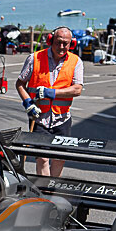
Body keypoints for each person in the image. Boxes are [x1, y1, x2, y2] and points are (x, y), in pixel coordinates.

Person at [15, 26, 84, 177]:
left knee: (59, 158)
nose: (61, 47)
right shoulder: (34, 58)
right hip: (39, 118)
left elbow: (77, 89)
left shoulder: (76, 62)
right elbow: (20, 83)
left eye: (65, 43)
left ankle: (53, 185)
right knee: (42, 158)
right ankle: (44, 188)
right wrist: (28, 102)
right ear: (51, 41)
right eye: (58, 42)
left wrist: (52, 93)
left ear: (71, 44)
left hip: (62, 119)